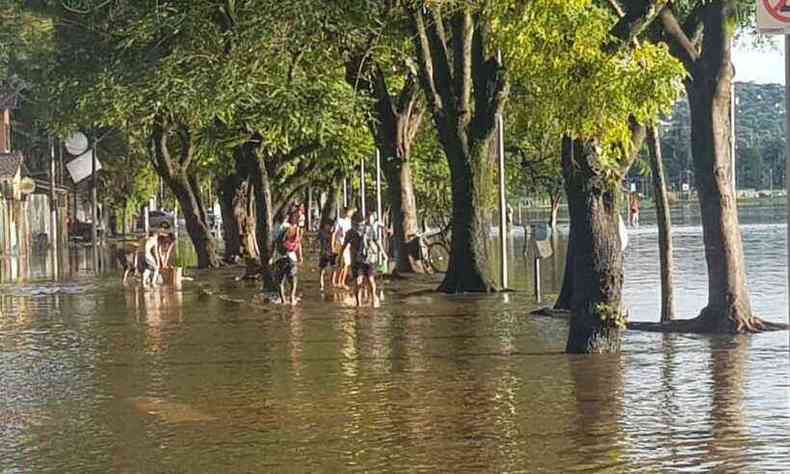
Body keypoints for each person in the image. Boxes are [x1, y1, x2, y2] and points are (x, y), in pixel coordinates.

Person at [340, 213, 383, 307]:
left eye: (359, 224)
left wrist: (383, 253)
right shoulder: (350, 233)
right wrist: (339, 258)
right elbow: (344, 245)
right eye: (355, 224)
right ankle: (358, 302)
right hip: (356, 260)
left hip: (368, 259)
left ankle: (373, 299)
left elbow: (376, 241)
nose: (358, 226)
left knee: (370, 280)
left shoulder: (369, 230)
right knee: (358, 281)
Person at [271, 211, 301, 305]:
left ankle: (283, 299)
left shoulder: (275, 228)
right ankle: (292, 297)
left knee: (280, 280)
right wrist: (300, 255)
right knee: (293, 278)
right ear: (287, 217)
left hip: (279, 257)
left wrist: (271, 256)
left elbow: (273, 243)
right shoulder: (292, 227)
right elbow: (298, 242)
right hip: (292, 256)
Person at [332, 206, 355, 288]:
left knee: (346, 264)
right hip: (341, 244)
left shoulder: (351, 222)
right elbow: (334, 233)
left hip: (348, 245)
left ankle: (341, 281)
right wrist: (333, 245)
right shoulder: (339, 221)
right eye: (350, 211)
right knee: (342, 263)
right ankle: (338, 281)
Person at [317, 221, 336, 291]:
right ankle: (322, 284)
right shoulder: (323, 233)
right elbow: (316, 240)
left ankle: (331, 281)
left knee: (332, 268)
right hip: (326, 253)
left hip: (328, 253)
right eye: (328, 226)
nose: (330, 228)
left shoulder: (329, 233)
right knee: (323, 269)